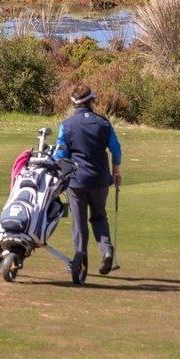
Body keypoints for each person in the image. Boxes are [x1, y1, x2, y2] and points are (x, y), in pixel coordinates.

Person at [53, 85, 122, 276]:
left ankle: (80, 262)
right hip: (100, 179)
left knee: (79, 222)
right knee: (99, 217)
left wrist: (57, 172)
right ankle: (106, 250)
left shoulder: (66, 124)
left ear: (74, 104)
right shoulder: (103, 123)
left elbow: (60, 154)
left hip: (76, 181)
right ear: (91, 101)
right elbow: (116, 149)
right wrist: (116, 171)